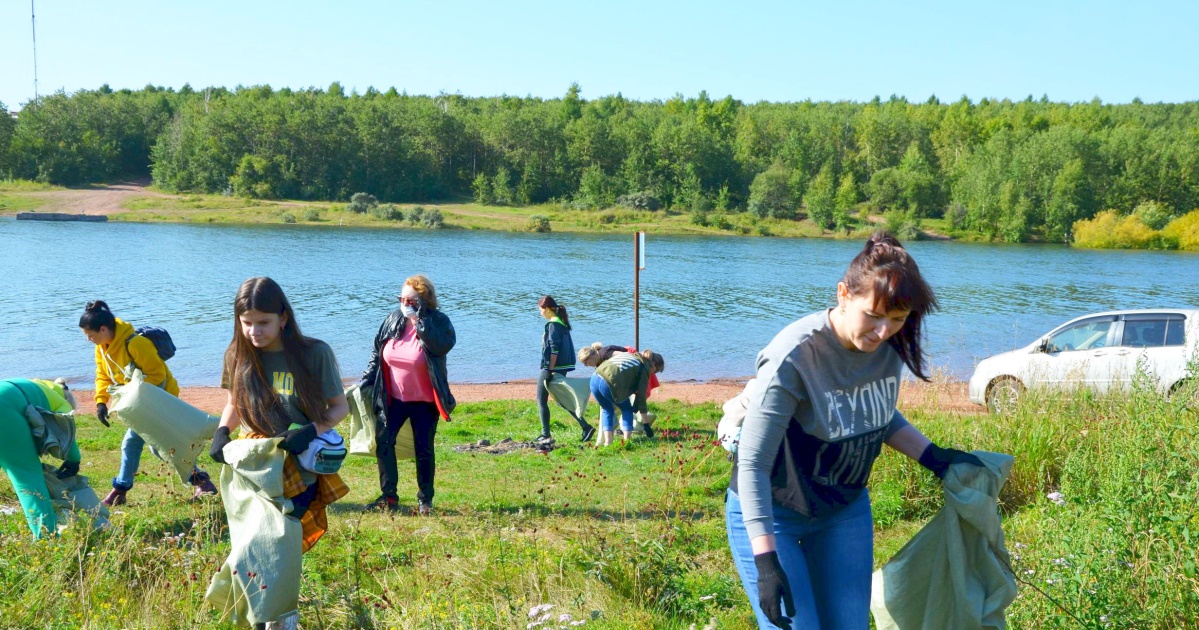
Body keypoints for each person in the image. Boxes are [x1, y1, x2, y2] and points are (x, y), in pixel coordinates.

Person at [726, 231, 984, 629]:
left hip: (843, 509)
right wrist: (765, 562)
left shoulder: (888, 346)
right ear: (844, 294)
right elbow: (754, 463)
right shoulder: (794, 356)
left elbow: (871, 412)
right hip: (774, 510)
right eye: (874, 316)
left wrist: (935, 458)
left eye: (897, 320)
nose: (884, 332)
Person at [209, 277, 350, 630]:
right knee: (248, 544)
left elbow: (339, 407)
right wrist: (222, 431)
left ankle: (280, 621)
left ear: (283, 318)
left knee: (279, 548)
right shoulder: (236, 354)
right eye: (247, 323)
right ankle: (251, 615)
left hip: (297, 466)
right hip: (252, 463)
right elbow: (233, 404)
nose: (254, 331)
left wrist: (311, 430)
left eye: (264, 323)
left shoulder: (313, 353)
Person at [80, 300, 217, 506]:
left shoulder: (135, 344)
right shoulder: (102, 348)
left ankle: (121, 490)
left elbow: (158, 375)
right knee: (147, 446)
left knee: (139, 444)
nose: (89, 340)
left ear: (103, 329)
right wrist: (101, 402)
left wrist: (129, 393)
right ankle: (201, 482)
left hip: (161, 399)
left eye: (90, 336)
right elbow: (102, 375)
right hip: (138, 403)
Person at [360, 275, 456, 514]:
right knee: (384, 443)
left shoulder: (438, 321)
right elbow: (376, 353)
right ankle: (389, 497)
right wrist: (365, 381)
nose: (404, 303)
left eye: (411, 300)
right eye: (401, 298)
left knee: (424, 449)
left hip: (425, 402)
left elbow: (441, 346)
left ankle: (425, 500)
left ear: (425, 301)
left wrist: (420, 319)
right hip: (392, 398)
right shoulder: (393, 319)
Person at [0, 377, 82, 539]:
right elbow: (66, 431)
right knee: (27, 476)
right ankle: (46, 538)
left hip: (7, 401)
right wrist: (74, 460)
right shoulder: (60, 401)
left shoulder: (36, 385)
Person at [537, 295, 592, 442]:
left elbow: (554, 350)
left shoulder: (553, 325)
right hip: (562, 367)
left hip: (552, 367)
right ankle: (585, 426)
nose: (540, 313)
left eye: (540, 310)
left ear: (547, 309)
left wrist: (549, 370)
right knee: (561, 399)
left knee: (541, 400)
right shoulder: (561, 323)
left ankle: (545, 434)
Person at [578, 342, 662, 438]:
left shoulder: (605, 353)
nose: (587, 366)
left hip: (596, 380)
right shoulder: (643, 369)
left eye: (585, 363)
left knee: (607, 409)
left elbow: (624, 357)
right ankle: (626, 440)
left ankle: (607, 441)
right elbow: (641, 399)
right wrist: (646, 425)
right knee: (626, 409)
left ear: (591, 356)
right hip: (609, 382)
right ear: (654, 365)